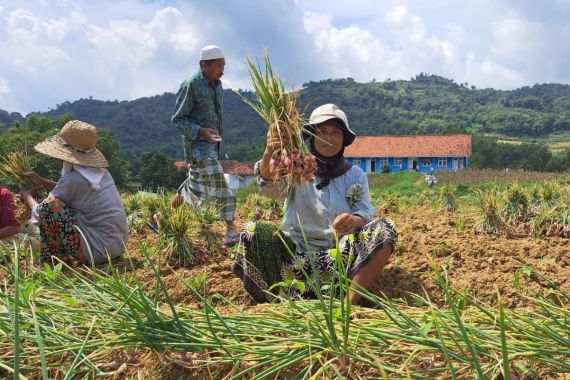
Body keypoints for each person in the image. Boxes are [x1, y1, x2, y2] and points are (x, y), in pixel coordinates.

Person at [232, 104, 398, 305]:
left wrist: (354, 221)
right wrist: (270, 150)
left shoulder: (355, 175)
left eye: (336, 132)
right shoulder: (296, 166)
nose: (328, 138)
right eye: (322, 131)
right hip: (292, 261)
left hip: (339, 261)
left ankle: (348, 305)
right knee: (251, 231)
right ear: (312, 135)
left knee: (385, 228)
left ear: (344, 138)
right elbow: (271, 188)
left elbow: (364, 212)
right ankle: (278, 300)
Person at [20, 120, 129, 265]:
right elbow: (73, 190)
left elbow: (40, 212)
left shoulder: (74, 179)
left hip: (97, 251)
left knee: (50, 207)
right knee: (56, 206)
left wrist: (26, 196)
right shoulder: (100, 174)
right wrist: (42, 181)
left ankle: (55, 260)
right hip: (116, 246)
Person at [171, 44, 238, 247]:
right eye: (219, 65)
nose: (222, 70)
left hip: (212, 144)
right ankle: (231, 227)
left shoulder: (216, 84)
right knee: (217, 178)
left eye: (223, 65)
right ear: (203, 65)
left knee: (196, 183)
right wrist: (201, 131)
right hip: (197, 145)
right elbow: (178, 119)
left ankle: (169, 213)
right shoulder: (191, 85)